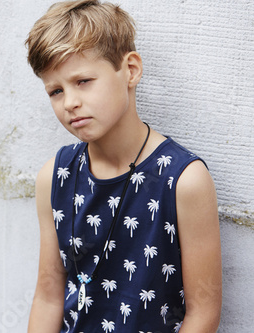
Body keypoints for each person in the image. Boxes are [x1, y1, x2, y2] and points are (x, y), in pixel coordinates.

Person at [24, 1, 222, 332]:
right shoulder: (55, 177)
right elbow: (48, 296)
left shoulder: (184, 180)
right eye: (55, 91)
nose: (69, 102)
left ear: (130, 70)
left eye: (83, 81)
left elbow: (203, 314)